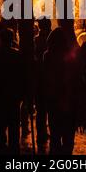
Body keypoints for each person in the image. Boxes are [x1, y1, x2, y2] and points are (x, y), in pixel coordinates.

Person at [43, 28, 81, 155]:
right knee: (68, 133)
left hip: (53, 98)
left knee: (55, 132)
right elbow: (76, 77)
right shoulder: (71, 55)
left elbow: (45, 77)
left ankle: (55, 155)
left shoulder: (47, 56)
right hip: (69, 98)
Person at [34, 17, 51, 152]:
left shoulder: (36, 40)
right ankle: (45, 133)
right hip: (48, 80)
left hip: (40, 80)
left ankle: (41, 135)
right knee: (49, 110)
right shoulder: (53, 39)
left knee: (41, 111)